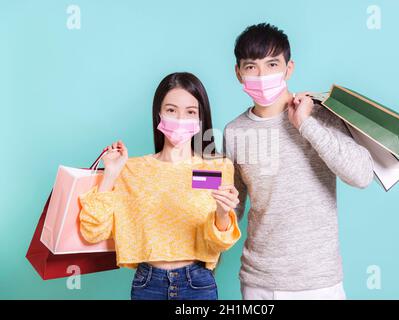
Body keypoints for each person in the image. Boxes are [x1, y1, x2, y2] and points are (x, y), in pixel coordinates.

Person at [223, 23, 374, 300]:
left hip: (319, 281)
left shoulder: (319, 114)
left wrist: (305, 124)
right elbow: (234, 206)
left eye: (271, 64)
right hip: (259, 283)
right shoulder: (234, 132)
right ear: (238, 73)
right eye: (251, 67)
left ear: (288, 68)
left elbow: (362, 175)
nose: (262, 74)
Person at [78, 72, 241, 300]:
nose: (180, 118)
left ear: (200, 118)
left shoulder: (216, 169)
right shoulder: (131, 170)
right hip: (148, 285)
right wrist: (111, 174)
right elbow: (93, 232)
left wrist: (223, 214)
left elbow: (220, 243)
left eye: (190, 112)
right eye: (172, 110)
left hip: (197, 284)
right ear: (159, 114)